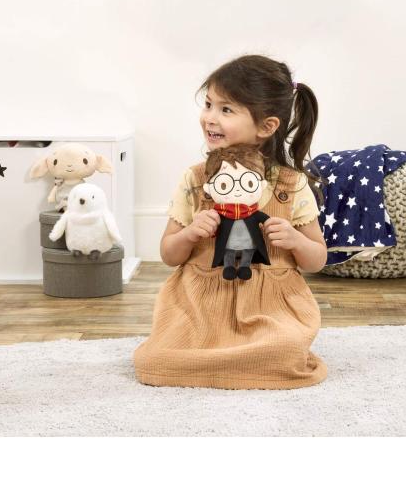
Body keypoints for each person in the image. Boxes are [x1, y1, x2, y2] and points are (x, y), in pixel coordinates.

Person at [133, 54, 328, 389]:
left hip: (268, 308)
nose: (210, 117)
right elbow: (169, 254)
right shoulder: (195, 180)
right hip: (200, 306)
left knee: (283, 349)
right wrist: (191, 233)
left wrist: (296, 241)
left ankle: (240, 360)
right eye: (209, 104)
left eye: (226, 109)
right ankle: (230, 363)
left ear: (266, 127)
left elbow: (317, 260)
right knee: (154, 360)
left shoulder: (290, 185)